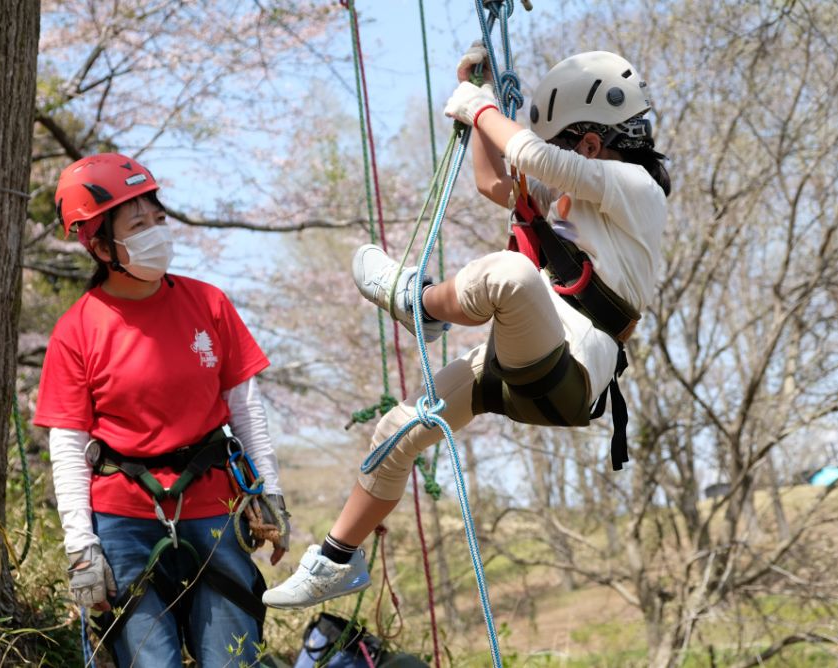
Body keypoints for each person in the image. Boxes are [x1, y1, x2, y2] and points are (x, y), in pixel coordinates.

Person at [262, 48, 669, 609]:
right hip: (524, 361)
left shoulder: (637, 189)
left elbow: (530, 154)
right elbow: (492, 180)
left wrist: (481, 110)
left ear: (591, 145)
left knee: (510, 273)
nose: (554, 157)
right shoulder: (573, 199)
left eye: (563, 146)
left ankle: (422, 305)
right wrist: (476, 108)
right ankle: (336, 559)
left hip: (569, 375)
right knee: (397, 433)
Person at [34, 153, 290, 665]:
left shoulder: (208, 304)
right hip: (124, 520)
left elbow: (245, 409)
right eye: (138, 223)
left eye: (158, 218)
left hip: (214, 509)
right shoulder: (78, 330)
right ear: (99, 243)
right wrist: (82, 548)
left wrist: (270, 491)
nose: (155, 232)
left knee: (233, 658)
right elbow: (66, 445)